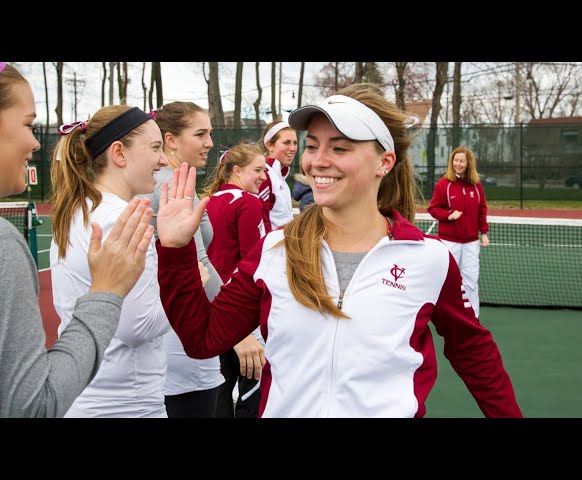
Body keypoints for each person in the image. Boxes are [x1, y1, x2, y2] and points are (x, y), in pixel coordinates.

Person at [154, 83, 522, 418]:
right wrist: (175, 249)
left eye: (340, 147)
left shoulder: (429, 259)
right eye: (313, 145)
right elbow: (203, 339)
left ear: (384, 162)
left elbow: (473, 350)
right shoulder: (275, 250)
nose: (317, 160)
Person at [0, 62, 155, 418]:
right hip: (124, 403)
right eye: (27, 123)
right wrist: (106, 293)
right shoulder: (6, 245)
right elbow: (33, 406)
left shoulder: (77, 212)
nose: (35, 141)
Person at [49, 105, 173, 418]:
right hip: (126, 405)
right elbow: (138, 326)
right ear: (119, 153)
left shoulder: (77, 210)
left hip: (85, 395)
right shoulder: (123, 219)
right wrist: (189, 283)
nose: (163, 159)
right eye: (156, 148)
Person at [147, 101, 225, 418]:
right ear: (171, 140)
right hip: (183, 336)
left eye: (210, 133)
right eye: (200, 134)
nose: (209, 142)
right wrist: (242, 331)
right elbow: (199, 263)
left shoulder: (163, 181)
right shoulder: (173, 186)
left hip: (169, 333)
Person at [200, 144, 268, 418]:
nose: (264, 176)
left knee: (219, 392)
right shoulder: (248, 202)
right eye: (258, 169)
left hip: (210, 306)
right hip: (240, 311)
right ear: (237, 171)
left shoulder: (207, 200)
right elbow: (255, 261)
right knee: (253, 389)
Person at [427, 146, 489, 318]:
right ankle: (447, 316)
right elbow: (433, 208)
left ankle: (472, 318)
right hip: (449, 242)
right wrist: (449, 215)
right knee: (448, 280)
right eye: (456, 160)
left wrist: (483, 232)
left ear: (468, 163)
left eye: (462, 161)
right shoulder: (443, 184)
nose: (458, 164)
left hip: (471, 242)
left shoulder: (476, 185)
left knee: (471, 281)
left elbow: (482, 209)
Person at [257, 120, 298, 230]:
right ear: (269, 145)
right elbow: (260, 221)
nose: (293, 148)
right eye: (286, 142)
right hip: (272, 246)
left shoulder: (279, 175)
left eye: (295, 143)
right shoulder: (265, 175)